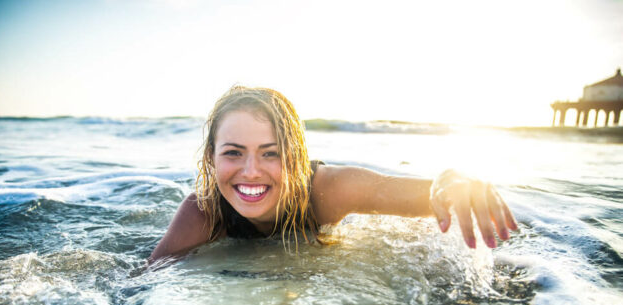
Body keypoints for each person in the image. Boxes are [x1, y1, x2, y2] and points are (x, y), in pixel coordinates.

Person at [149, 86, 517, 264]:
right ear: (211, 160)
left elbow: (432, 195)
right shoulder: (203, 212)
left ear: (296, 158)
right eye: (233, 153)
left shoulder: (329, 190)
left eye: (271, 153)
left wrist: (456, 183)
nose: (251, 171)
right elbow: (146, 279)